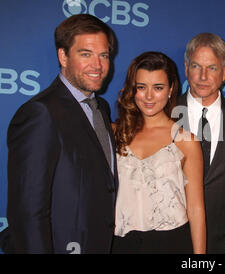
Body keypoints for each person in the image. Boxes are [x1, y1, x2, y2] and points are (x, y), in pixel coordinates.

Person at [6, 14, 117, 253]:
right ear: (63, 56)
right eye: (85, 54)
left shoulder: (102, 109)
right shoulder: (41, 113)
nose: (97, 65)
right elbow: (28, 212)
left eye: (104, 55)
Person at [111, 52, 206, 254]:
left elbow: (196, 208)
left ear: (171, 89)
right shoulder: (115, 133)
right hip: (120, 243)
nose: (149, 96)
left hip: (171, 242)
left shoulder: (185, 141)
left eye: (158, 88)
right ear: (132, 89)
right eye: (141, 87)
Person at [175, 33, 225, 253]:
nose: (202, 76)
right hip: (170, 238)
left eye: (211, 68)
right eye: (196, 66)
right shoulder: (165, 113)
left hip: (224, 239)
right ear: (186, 68)